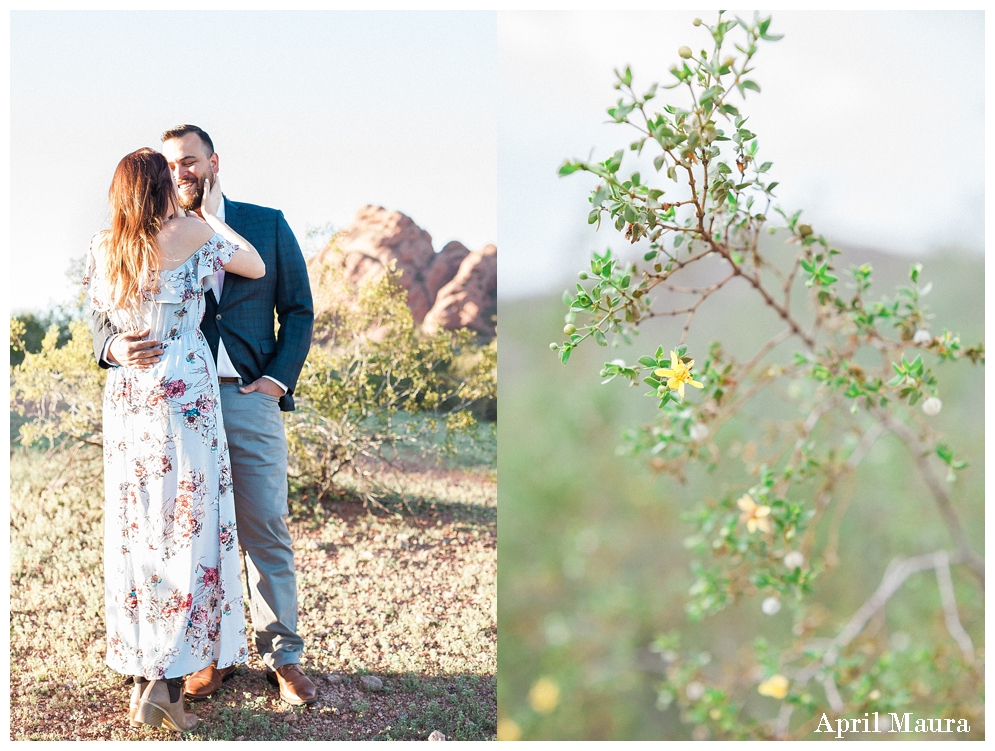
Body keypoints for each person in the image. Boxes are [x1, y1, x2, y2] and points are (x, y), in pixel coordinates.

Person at [92, 125, 317, 707]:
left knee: (263, 523)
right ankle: (202, 659)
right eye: (170, 165)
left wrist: (276, 379)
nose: (180, 172)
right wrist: (112, 349)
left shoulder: (264, 222)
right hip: (169, 399)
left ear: (213, 162)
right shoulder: (134, 236)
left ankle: (282, 657)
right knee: (181, 531)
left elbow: (297, 308)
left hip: (242, 391)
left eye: (189, 161)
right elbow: (102, 321)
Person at [84, 148, 265, 731]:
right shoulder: (190, 232)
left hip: (131, 400)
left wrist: (114, 349)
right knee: (186, 534)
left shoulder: (103, 244)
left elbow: (99, 320)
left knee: (138, 534)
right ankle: (165, 683)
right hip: (184, 388)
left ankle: (146, 676)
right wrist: (212, 212)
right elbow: (255, 266)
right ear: (160, 186)